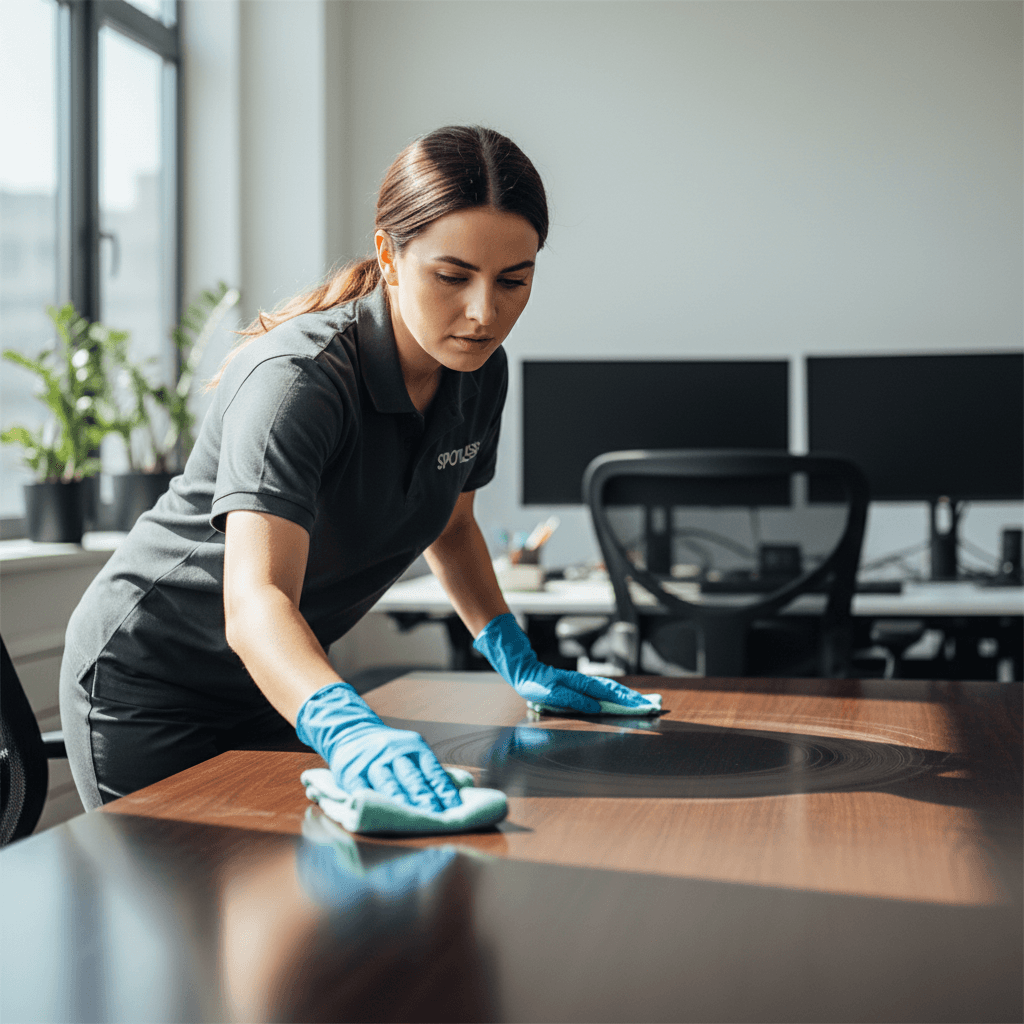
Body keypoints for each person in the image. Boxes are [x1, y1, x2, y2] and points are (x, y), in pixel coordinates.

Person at [60, 125, 651, 814]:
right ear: (390, 256)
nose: (483, 313)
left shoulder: (481, 372)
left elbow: (452, 526)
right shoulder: (298, 380)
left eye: (513, 281)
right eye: (452, 277)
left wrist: (515, 656)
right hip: (151, 683)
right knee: (187, 880)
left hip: (280, 681)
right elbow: (256, 603)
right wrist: (346, 728)